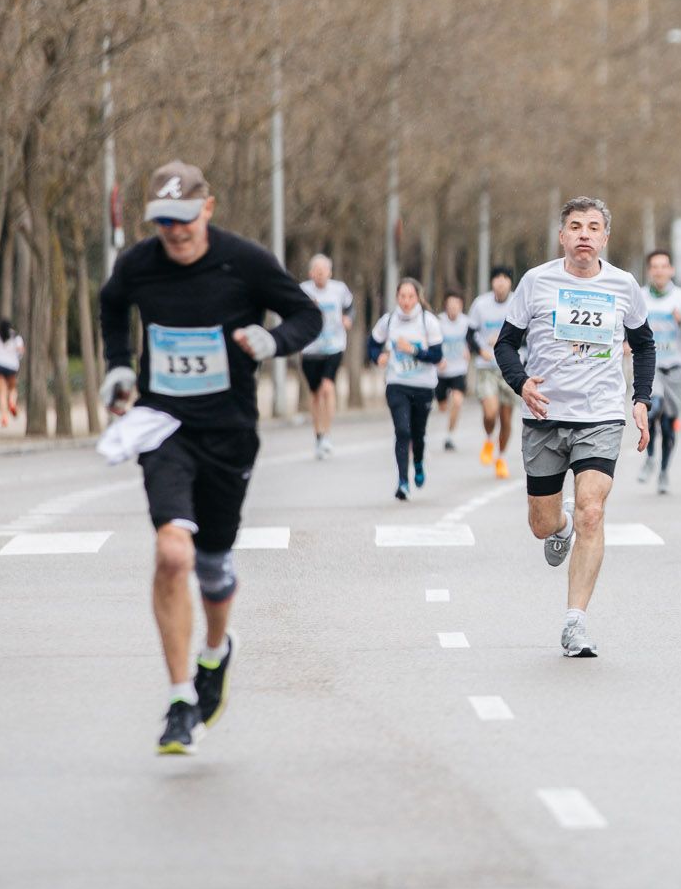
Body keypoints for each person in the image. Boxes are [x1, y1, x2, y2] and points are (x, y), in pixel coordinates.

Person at [98, 160, 321, 756]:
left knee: (214, 566)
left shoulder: (243, 260)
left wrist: (273, 341)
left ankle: (216, 652)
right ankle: (178, 702)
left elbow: (307, 314)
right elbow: (111, 304)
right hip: (163, 425)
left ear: (209, 208)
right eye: (163, 222)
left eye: (184, 219)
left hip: (229, 432)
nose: (174, 232)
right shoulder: (139, 264)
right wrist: (119, 365)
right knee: (173, 553)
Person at [493, 197, 654, 659]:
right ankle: (558, 525)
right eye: (575, 226)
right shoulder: (536, 282)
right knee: (542, 524)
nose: (584, 234)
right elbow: (505, 345)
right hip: (545, 416)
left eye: (593, 227)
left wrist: (640, 401)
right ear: (562, 236)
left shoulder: (623, 285)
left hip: (601, 415)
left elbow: (644, 346)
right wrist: (522, 384)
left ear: (605, 237)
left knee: (592, 511)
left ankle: (575, 621)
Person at [368, 278, 445, 501]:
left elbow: (437, 355)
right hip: (397, 383)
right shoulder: (389, 321)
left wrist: (413, 350)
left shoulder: (427, 321)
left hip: (423, 386)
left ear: (417, 297)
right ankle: (403, 481)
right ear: (397, 297)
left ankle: (418, 463)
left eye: (411, 297)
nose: (406, 301)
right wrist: (377, 357)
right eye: (402, 296)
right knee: (402, 431)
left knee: (418, 434)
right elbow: (371, 344)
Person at [640, 249, 681, 494]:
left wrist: (680, 322)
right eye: (654, 267)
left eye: (663, 266)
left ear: (671, 270)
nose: (659, 271)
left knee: (667, 425)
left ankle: (664, 471)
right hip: (649, 366)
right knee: (652, 408)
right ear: (649, 271)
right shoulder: (641, 296)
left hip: (675, 367)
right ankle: (650, 457)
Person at [297, 254, 354, 457]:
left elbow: (350, 307)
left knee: (328, 388)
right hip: (311, 349)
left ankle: (327, 434)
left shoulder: (339, 289)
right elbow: (293, 313)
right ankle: (318, 436)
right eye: (317, 271)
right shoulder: (303, 291)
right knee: (315, 395)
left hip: (334, 345)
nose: (320, 275)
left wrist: (347, 319)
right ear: (311, 273)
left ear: (329, 273)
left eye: (324, 271)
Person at [468, 268, 520, 480]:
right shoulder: (481, 304)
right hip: (486, 367)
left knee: (506, 419)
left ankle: (501, 457)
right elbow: (470, 334)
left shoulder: (518, 303)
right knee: (490, 412)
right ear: (492, 282)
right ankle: (489, 438)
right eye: (497, 278)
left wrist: (505, 340)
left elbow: (527, 332)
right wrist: (480, 350)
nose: (500, 283)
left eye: (505, 279)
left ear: (510, 283)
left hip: (510, 367)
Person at [435, 291, 473, 452]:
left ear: (461, 306)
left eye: (456, 305)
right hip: (441, 372)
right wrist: (437, 359)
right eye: (450, 305)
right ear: (446, 306)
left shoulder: (466, 323)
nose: (453, 308)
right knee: (443, 407)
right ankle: (444, 407)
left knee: (457, 402)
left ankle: (450, 436)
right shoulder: (438, 322)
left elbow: (472, 340)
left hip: (458, 369)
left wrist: (469, 350)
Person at [0, 319, 24, 426]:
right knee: (13, 389)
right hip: (12, 366)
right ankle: (12, 403)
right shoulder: (16, 337)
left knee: (2, 391)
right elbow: (21, 351)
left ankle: (4, 416)